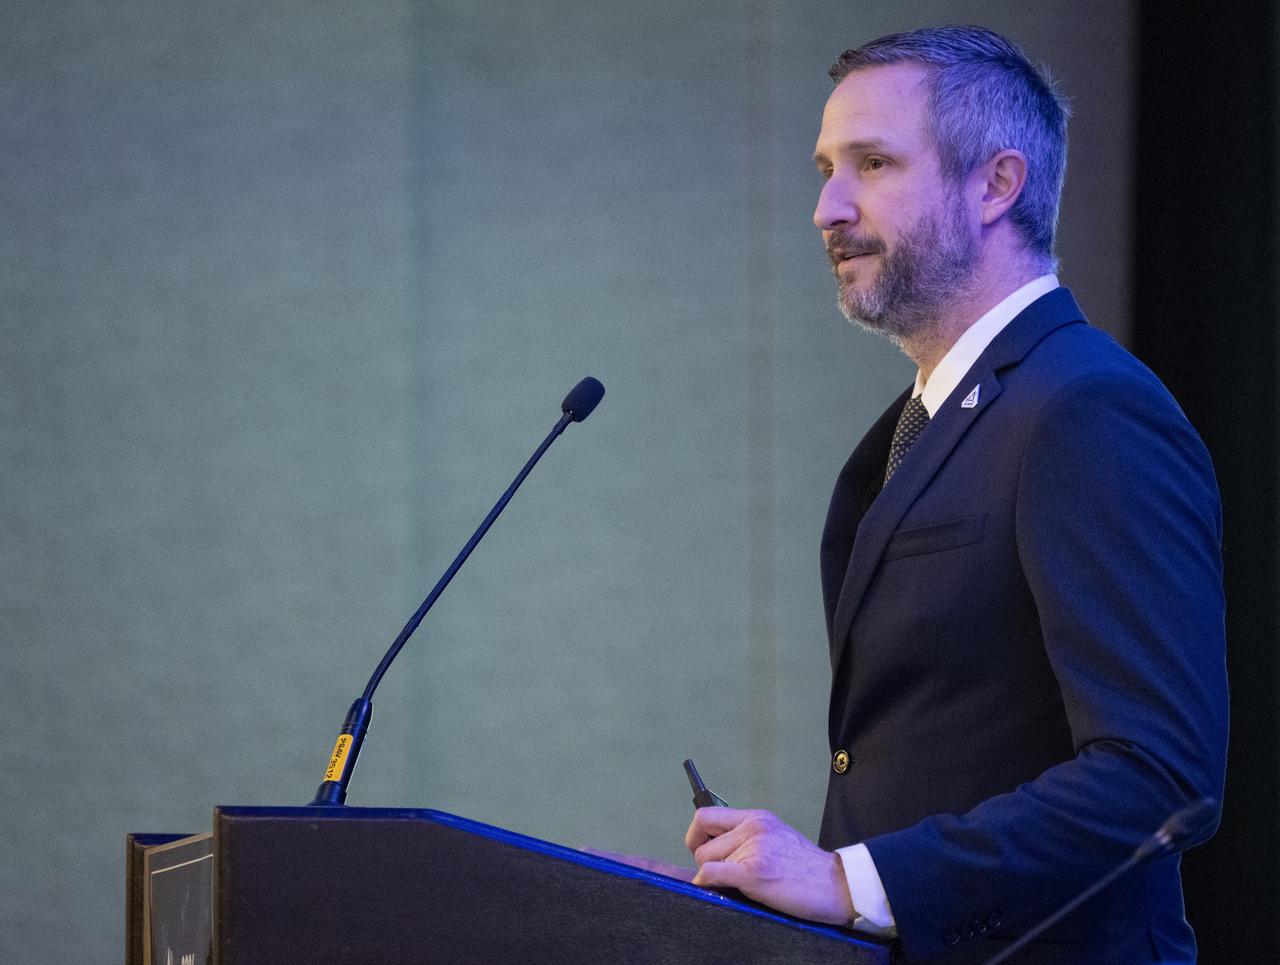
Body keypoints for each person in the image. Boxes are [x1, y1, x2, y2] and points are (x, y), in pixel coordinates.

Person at [683, 25, 1227, 964]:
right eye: (824, 167)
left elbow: (1159, 774)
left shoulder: (1084, 408)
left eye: (873, 163)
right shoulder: (911, 430)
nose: (827, 205)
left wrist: (849, 880)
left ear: (995, 185)